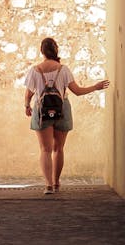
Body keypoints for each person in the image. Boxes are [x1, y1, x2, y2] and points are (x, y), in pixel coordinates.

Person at [23, 36, 110, 195]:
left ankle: (48, 185)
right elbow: (77, 91)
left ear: (42, 51)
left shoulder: (35, 71)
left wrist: (27, 106)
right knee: (59, 149)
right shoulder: (64, 70)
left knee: (45, 150)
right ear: (56, 50)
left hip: (42, 111)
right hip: (62, 109)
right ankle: (56, 183)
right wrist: (95, 87)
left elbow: (28, 93)